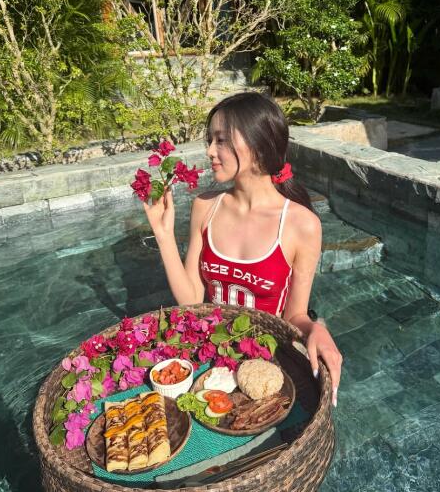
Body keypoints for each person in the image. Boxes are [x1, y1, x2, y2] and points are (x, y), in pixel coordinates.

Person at [143, 92, 342, 407]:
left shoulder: (301, 224)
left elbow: (295, 315)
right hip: (213, 353)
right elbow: (192, 300)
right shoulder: (205, 207)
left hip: (266, 361)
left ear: (259, 145)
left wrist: (316, 329)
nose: (210, 151)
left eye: (221, 141)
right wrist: (164, 234)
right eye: (211, 140)